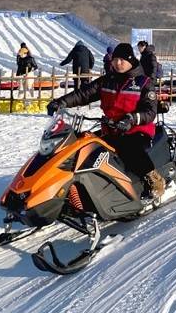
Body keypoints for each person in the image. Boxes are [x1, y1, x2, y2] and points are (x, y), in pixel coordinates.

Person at [47, 42, 165, 199]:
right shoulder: (107, 80)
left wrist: (131, 119)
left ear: (131, 60)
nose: (117, 63)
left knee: (128, 147)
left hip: (137, 130)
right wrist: (60, 102)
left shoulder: (143, 83)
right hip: (111, 129)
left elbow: (150, 111)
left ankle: (154, 179)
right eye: (115, 59)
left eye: (122, 60)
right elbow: (84, 94)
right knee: (85, 145)